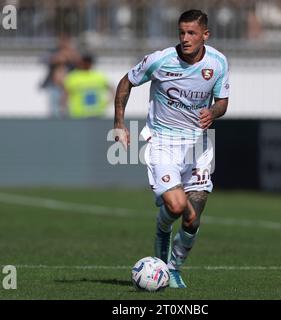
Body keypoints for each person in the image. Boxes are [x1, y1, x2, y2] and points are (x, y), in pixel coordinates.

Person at [113, 9, 229, 288]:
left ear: (205, 35)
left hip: (199, 147)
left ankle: (173, 267)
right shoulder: (161, 60)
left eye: (191, 33)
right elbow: (126, 82)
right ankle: (162, 227)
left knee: (192, 218)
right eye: (181, 32)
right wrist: (119, 122)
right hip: (163, 142)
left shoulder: (218, 62)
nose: (185, 38)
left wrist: (213, 112)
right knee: (176, 207)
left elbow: (223, 101)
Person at [40, 35, 81, 117]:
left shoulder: (73, 53)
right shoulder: (53, 52)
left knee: (69, 109)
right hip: (55, 86)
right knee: (54, 110)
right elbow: (43, 60)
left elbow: (81, 64)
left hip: (69, 87)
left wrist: (71, 56)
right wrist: (56, 58)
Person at [63, 54, 113, 118]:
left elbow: (112, 91)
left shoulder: (99, 76)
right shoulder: (73, 77)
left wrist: (106, 103)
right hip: (79, 114)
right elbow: (65, 95)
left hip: (96, 114)